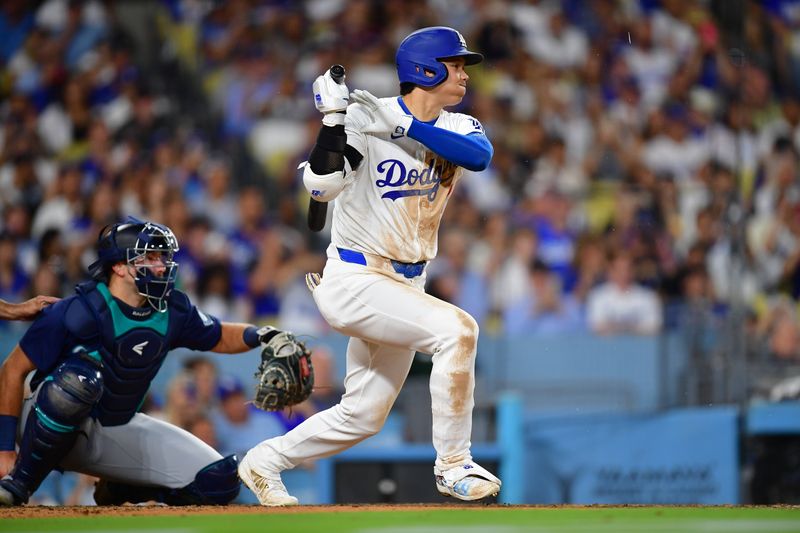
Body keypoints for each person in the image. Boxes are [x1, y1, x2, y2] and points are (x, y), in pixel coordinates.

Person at [238, 26, 501, 506]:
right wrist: (335, 120)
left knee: (363, 414)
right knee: (458, 331)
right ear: (426, 69)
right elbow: (320, 187)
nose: (464, 73)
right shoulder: (365, 115)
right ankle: (454, 465)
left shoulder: (458, 125)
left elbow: (480, 157)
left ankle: (264, 460)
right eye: (456, 63)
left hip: (405, 285)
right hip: (356, 277)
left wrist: (406, 128)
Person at [0, 217, 297, 506]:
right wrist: (4, 450)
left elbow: (218, 334)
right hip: (41, 421)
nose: (161, 265)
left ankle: (122, 489)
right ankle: (19, 483)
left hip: (113, 426)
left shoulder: (172, 310)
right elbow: (12, 371)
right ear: (118, 266)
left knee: (219, 479)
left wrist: (265, 335)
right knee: (77, 382)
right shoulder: (76, 310)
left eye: (162, 257)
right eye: (149, 257)